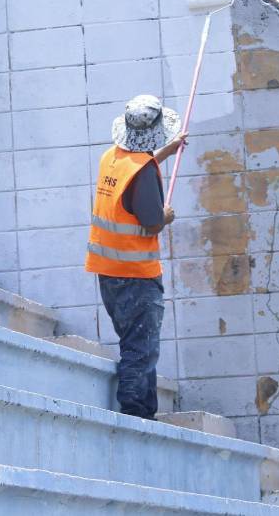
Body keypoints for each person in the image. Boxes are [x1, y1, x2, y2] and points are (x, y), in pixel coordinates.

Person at [85, 95, 187, 420]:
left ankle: (144, 412)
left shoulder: (111, 158)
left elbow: (137, 169)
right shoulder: (142, 172)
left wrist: (165, 153)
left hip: (109, 273)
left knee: (134, 342)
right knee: (140, 349)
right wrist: (166, 215)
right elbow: (151, 219)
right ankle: (136, 417)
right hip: (137, 276)